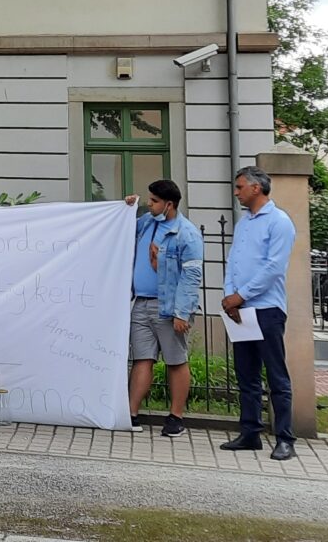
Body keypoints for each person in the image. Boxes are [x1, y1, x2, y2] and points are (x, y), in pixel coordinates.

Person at [220, 165, 298, 461]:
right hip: (240, 309)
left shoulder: (279, 222)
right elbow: (233, 261)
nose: (236, 192)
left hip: (267, 309)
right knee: (246, 374)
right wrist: (230, 296)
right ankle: (250, 432)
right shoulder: (243, 223)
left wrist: (241, 295)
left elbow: (273, 267)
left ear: (256, 188)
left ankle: (285, 438)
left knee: (276, 375)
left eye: (240, 187)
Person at [122, 180, 203, 436]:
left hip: (169, 307)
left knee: (175, 361)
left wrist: (182, 312)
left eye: (154, 201)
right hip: (141, 302)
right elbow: (123, 230)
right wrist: (126, 209)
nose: (149, 204)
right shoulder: (148, 222)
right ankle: (131, 413)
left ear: (169, 204)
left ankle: (176, 417)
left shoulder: (186, 233)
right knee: (142, 359)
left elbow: (191, 275)